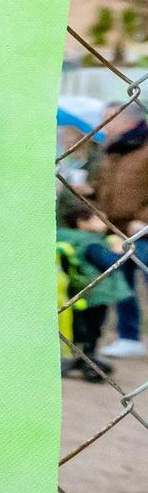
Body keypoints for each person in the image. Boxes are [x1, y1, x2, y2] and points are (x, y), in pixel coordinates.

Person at [89, 105, 147, 359]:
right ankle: (129, 337)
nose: (103, 124)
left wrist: (144, 219)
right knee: (123, 286)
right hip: (115, 231)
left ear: (124, 119)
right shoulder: (112, 149)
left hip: (142, 230)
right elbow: (105, 186)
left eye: (107, 118)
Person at [58, 188, 126, 382]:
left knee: (79, 328)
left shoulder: (66, 237)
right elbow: (107, 263)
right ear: (82, 222)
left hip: (74, 292)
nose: (105, 225)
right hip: (95, 294)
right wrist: (118, 251)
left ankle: (79, 356)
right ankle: (87, 358)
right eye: (99, 220)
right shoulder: (91, 243)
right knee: (93, 328)